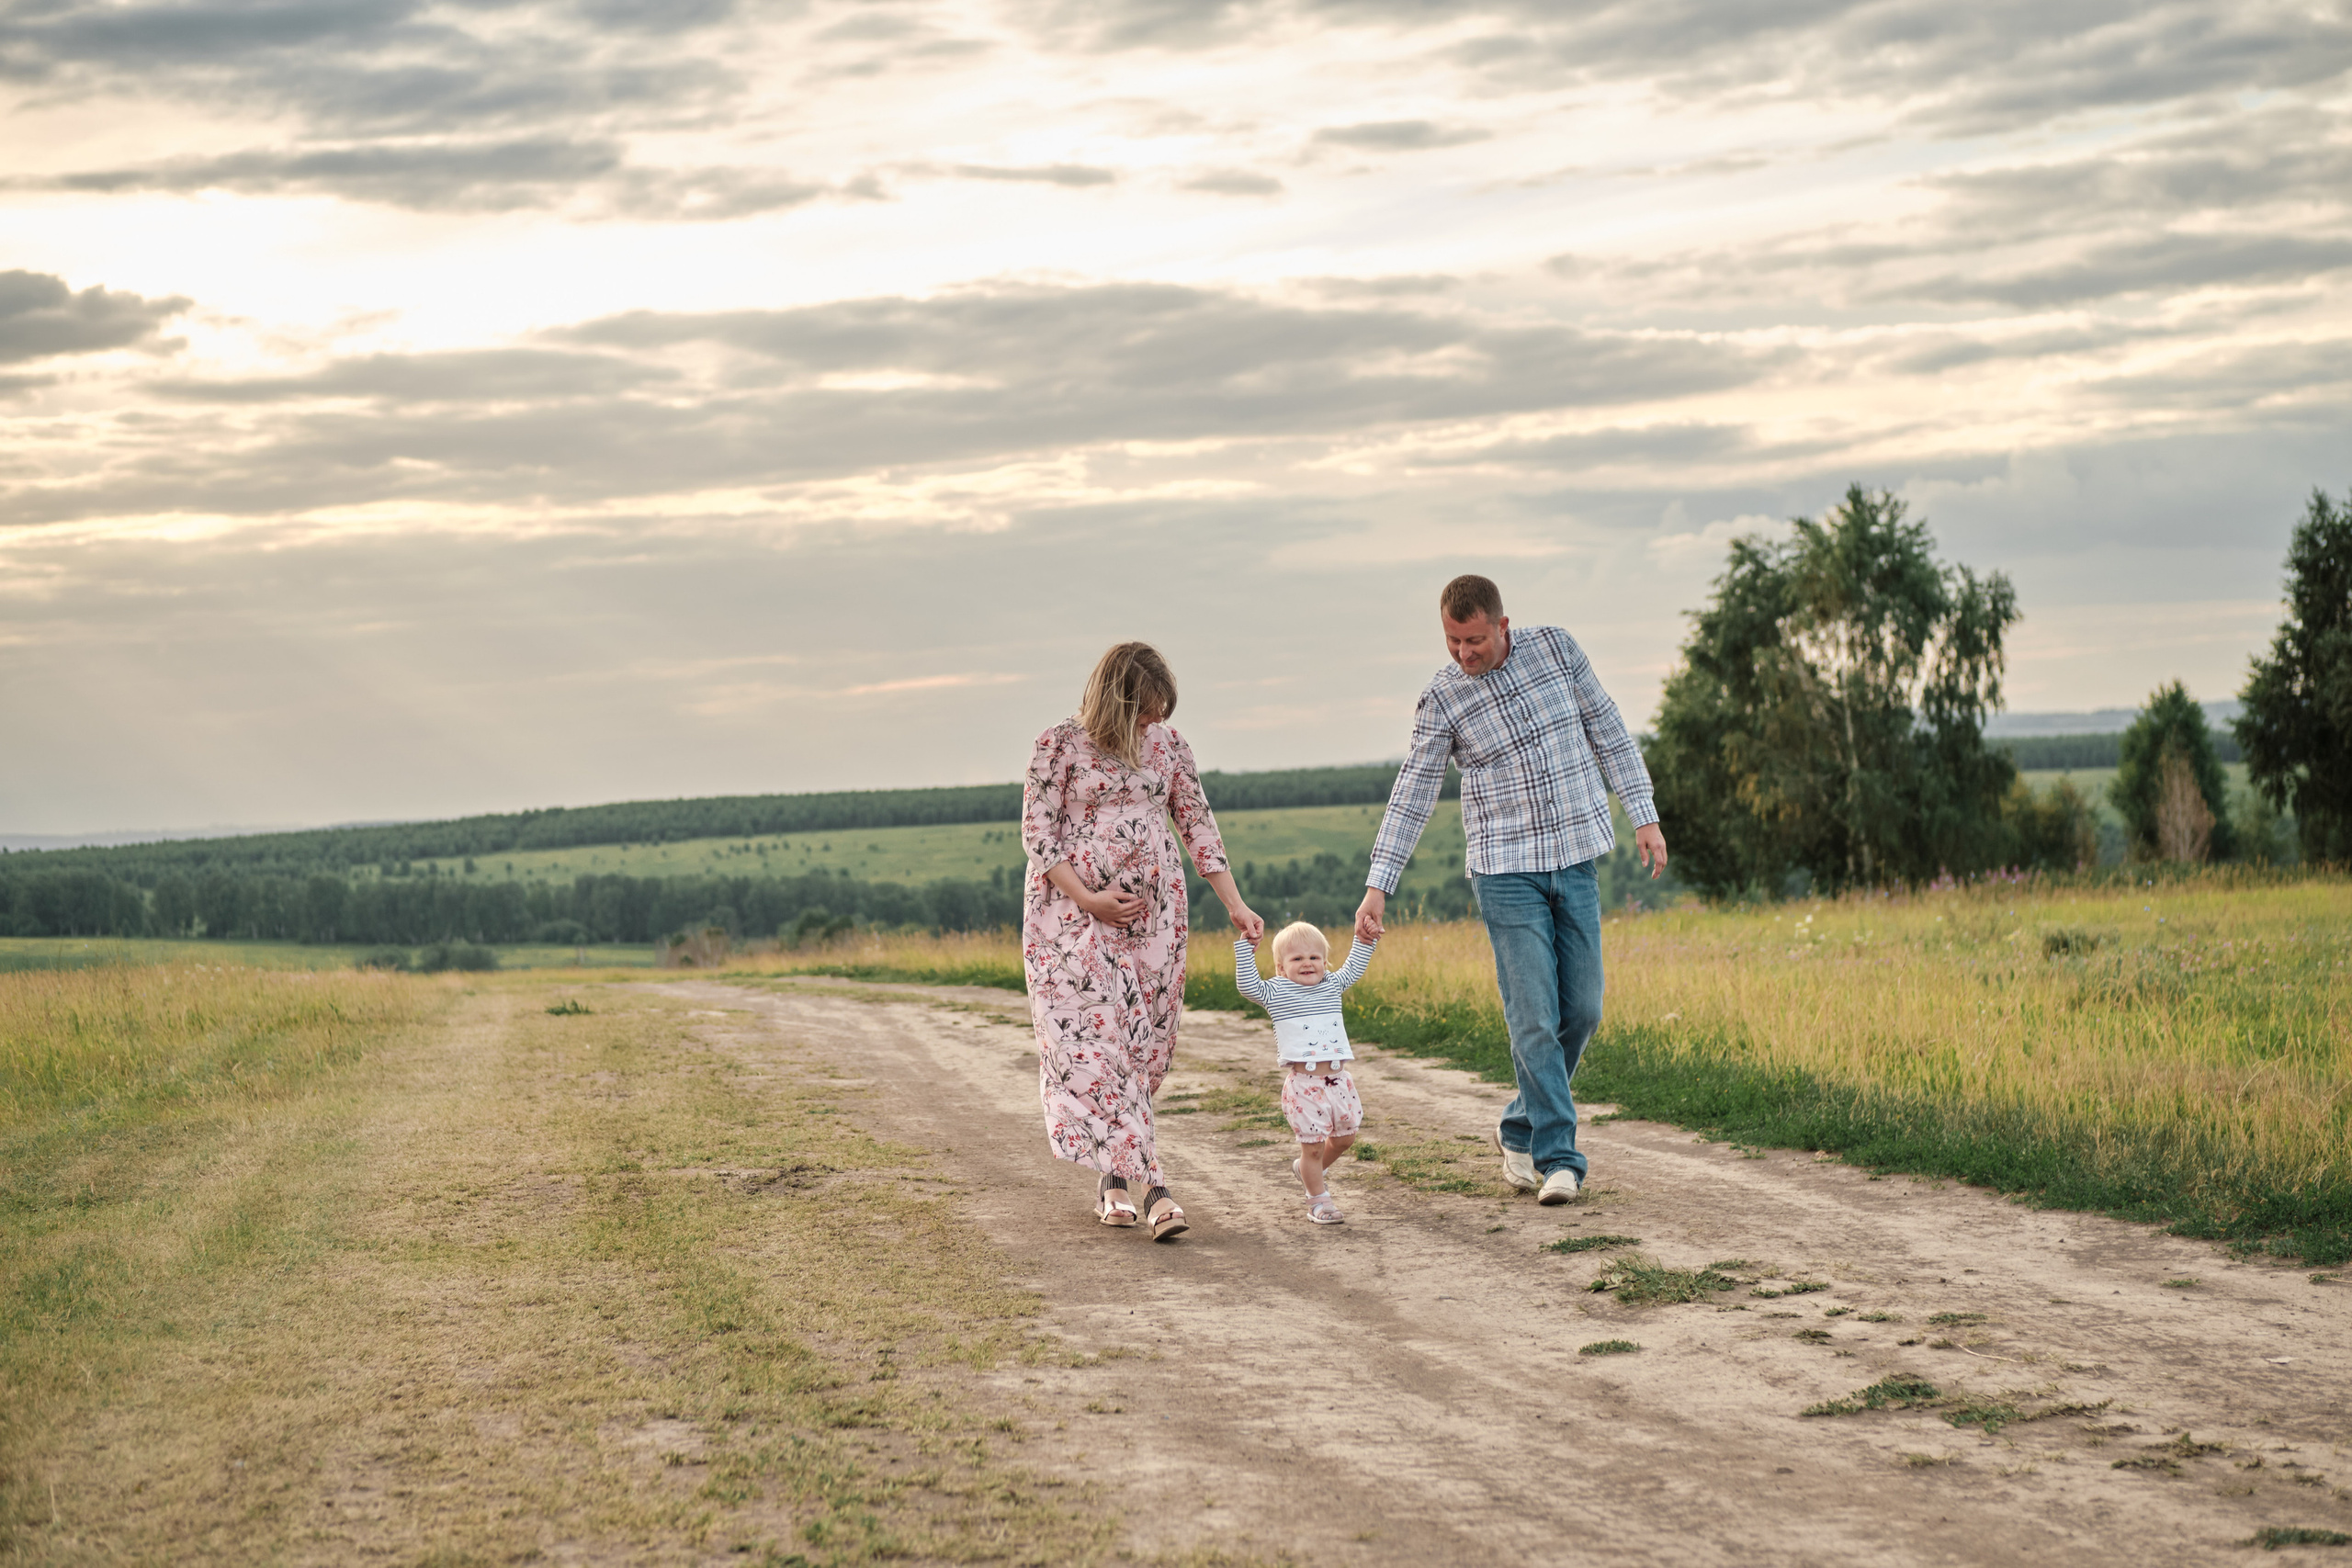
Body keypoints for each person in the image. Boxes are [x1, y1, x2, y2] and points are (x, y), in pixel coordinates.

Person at [1354, 575, 1668, 1205]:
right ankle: (1560, 1157)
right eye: (1451, 640)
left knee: (1581, 1011)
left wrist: (1644, 812)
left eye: (1473, 639)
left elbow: (1606, 727)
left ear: (1503, 625)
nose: (1463, 653)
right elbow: (1412, 794)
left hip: (1576, 856)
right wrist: (1377, 886)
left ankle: (1518, 1124)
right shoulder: (1442, 698)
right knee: (1532, 1017)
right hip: (1505, 870)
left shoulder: (1557, 649)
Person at [1023, 641, 1265, 1241]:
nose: (1154, 722)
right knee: (1099, 1045)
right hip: (1073, 922)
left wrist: (1235, 904)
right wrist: (1090, 899)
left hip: (1158, 922)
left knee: (1144, 1046)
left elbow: (1198, 825)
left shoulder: (1170, 746)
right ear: (1116, 701)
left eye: (1161, 711)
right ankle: (1156, 1185)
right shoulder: (1059, 746)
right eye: (1145, 710)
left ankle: (1113, 1177)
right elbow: (1039, 838)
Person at [1232, 920, 1377, 1224]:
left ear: (1324, 962)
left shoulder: (1332, 984)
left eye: (1314, 957)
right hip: (1305, 1085)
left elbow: (1354, 967)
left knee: (1346, 1138)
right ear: (1281, 968)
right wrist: (1246, 948)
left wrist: (1365, 939)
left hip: (1340, 1081)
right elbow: (1248, 985)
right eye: (1297, 959)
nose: (1307, 963)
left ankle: (1307, 1168)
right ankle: (1318, 1200)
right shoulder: (1276, 991)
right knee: (1311, 1148)